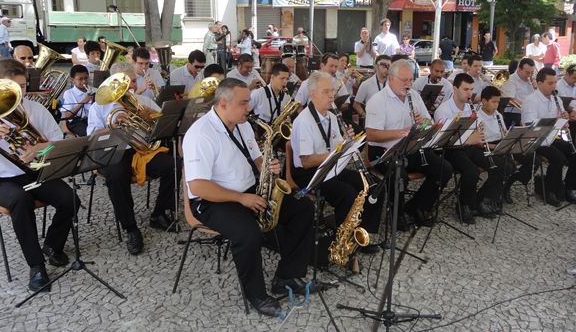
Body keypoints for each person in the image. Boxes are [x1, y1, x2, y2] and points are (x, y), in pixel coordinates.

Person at [183, 78, 317, 317]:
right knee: (248, 234)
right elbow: (199, 186)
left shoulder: (242, 123)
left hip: (248, 189)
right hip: (212, 201)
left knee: (303, 208)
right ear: (224, 103)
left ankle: (286, 276)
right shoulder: (200, 134)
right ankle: (255, 294)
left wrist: (268, 166)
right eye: (244, 103)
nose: (250, 108)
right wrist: (241, 199)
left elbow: (255, 158)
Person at [0, 58, 79, 291]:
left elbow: (57, 144)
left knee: (70, 199)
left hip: (32, 173)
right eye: (12, 88)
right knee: (20, 201)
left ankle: (52, 245)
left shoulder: (35, 109)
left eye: (22, 87)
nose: (19, 93)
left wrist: (38, 149)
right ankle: (37, 267)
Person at [87, 61, 176, 254]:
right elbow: (93, 136)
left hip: (139, 150)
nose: (134, 85)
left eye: (134, 80)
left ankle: (159, 212)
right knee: (117, 176)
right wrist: (112, 125)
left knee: (172, 164)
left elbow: (163, 125)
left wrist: (150, 115)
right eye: (130, 82)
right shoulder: (99, 106)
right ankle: (130, 228)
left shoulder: (141, 100)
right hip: (112, 151)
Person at [291, 71, 380, 238]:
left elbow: (337, 146)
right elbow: (307, 161)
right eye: (326, 92)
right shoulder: (304, 121)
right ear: (312, 94)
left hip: (329, 167)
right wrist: (336, 152)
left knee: (372, 184)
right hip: (309, 173)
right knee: (347, 194)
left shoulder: (332, 116)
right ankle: (341, 239)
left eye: (332, 91)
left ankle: (365, 234)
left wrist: (348, 141)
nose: (332, 96)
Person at [365, 60, 453, 230]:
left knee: (444, 169)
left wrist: (424, 122)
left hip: (410, 147)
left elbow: (429, 122)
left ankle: (417, 207)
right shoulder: (378, 100)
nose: (408, 84)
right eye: (404, 80)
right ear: (391, 78)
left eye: (411, 80)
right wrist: (402, 132)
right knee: (400, 176)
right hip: (383, 151)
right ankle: (396, 215)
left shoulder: (414, 95)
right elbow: (371, 134)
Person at [434, 74, 504, 223]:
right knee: (471, 171)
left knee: (500, 165)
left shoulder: (470, 108)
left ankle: (482, 200)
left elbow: (472, 135)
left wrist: (477, 130)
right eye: (465, 89)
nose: (469, 93)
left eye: (471, 89)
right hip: (450, 149)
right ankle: (464, 206)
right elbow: (442, 141)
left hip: (469, 147)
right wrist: (469, 138)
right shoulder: (443, 110)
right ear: (455, 88)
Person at [520, 67, 576, 206]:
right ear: (539, 83)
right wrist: (555, 122)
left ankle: (568, 187)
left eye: (555, 82)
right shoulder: (531, 100)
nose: (554, 86)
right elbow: (531, 127)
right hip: (536, 140)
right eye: (550, 83)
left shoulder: (556, 98)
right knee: (559, 158)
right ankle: (548, 190)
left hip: (552, 137)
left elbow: (562, 120)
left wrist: (564, 120)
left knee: (574, 153)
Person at [477, 86, 516, 209]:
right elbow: (478, 142)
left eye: (498, 102)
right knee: (504, 167)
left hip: (498, 144)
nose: (496, 105)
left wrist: (507, 140)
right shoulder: (477, 116)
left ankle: (494, 196)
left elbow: (503, 132)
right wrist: (495, 146)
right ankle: (485, 198)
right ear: (484, 101)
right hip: (484, 147)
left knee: (511, 166)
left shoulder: (498, 114)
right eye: (493, 102)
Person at [500, 58, 536, 127]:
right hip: (514, 113)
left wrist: (536, 88)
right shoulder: (511, 80)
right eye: (527, 72)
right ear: (519, 69)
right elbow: (510, 100)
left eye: (532, 72)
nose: (530, 75)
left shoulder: (530, 80)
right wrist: (528, 105)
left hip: (528, 113)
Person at [60, 65, 94, 137]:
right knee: (91, 134)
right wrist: (83, 102)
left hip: (92, 119)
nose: (84, 81)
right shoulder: (69, 93)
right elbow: (67, 116)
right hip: (76, 122)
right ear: (73, 80)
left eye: (86, 78)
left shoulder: (94, 91)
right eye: (80, 79)